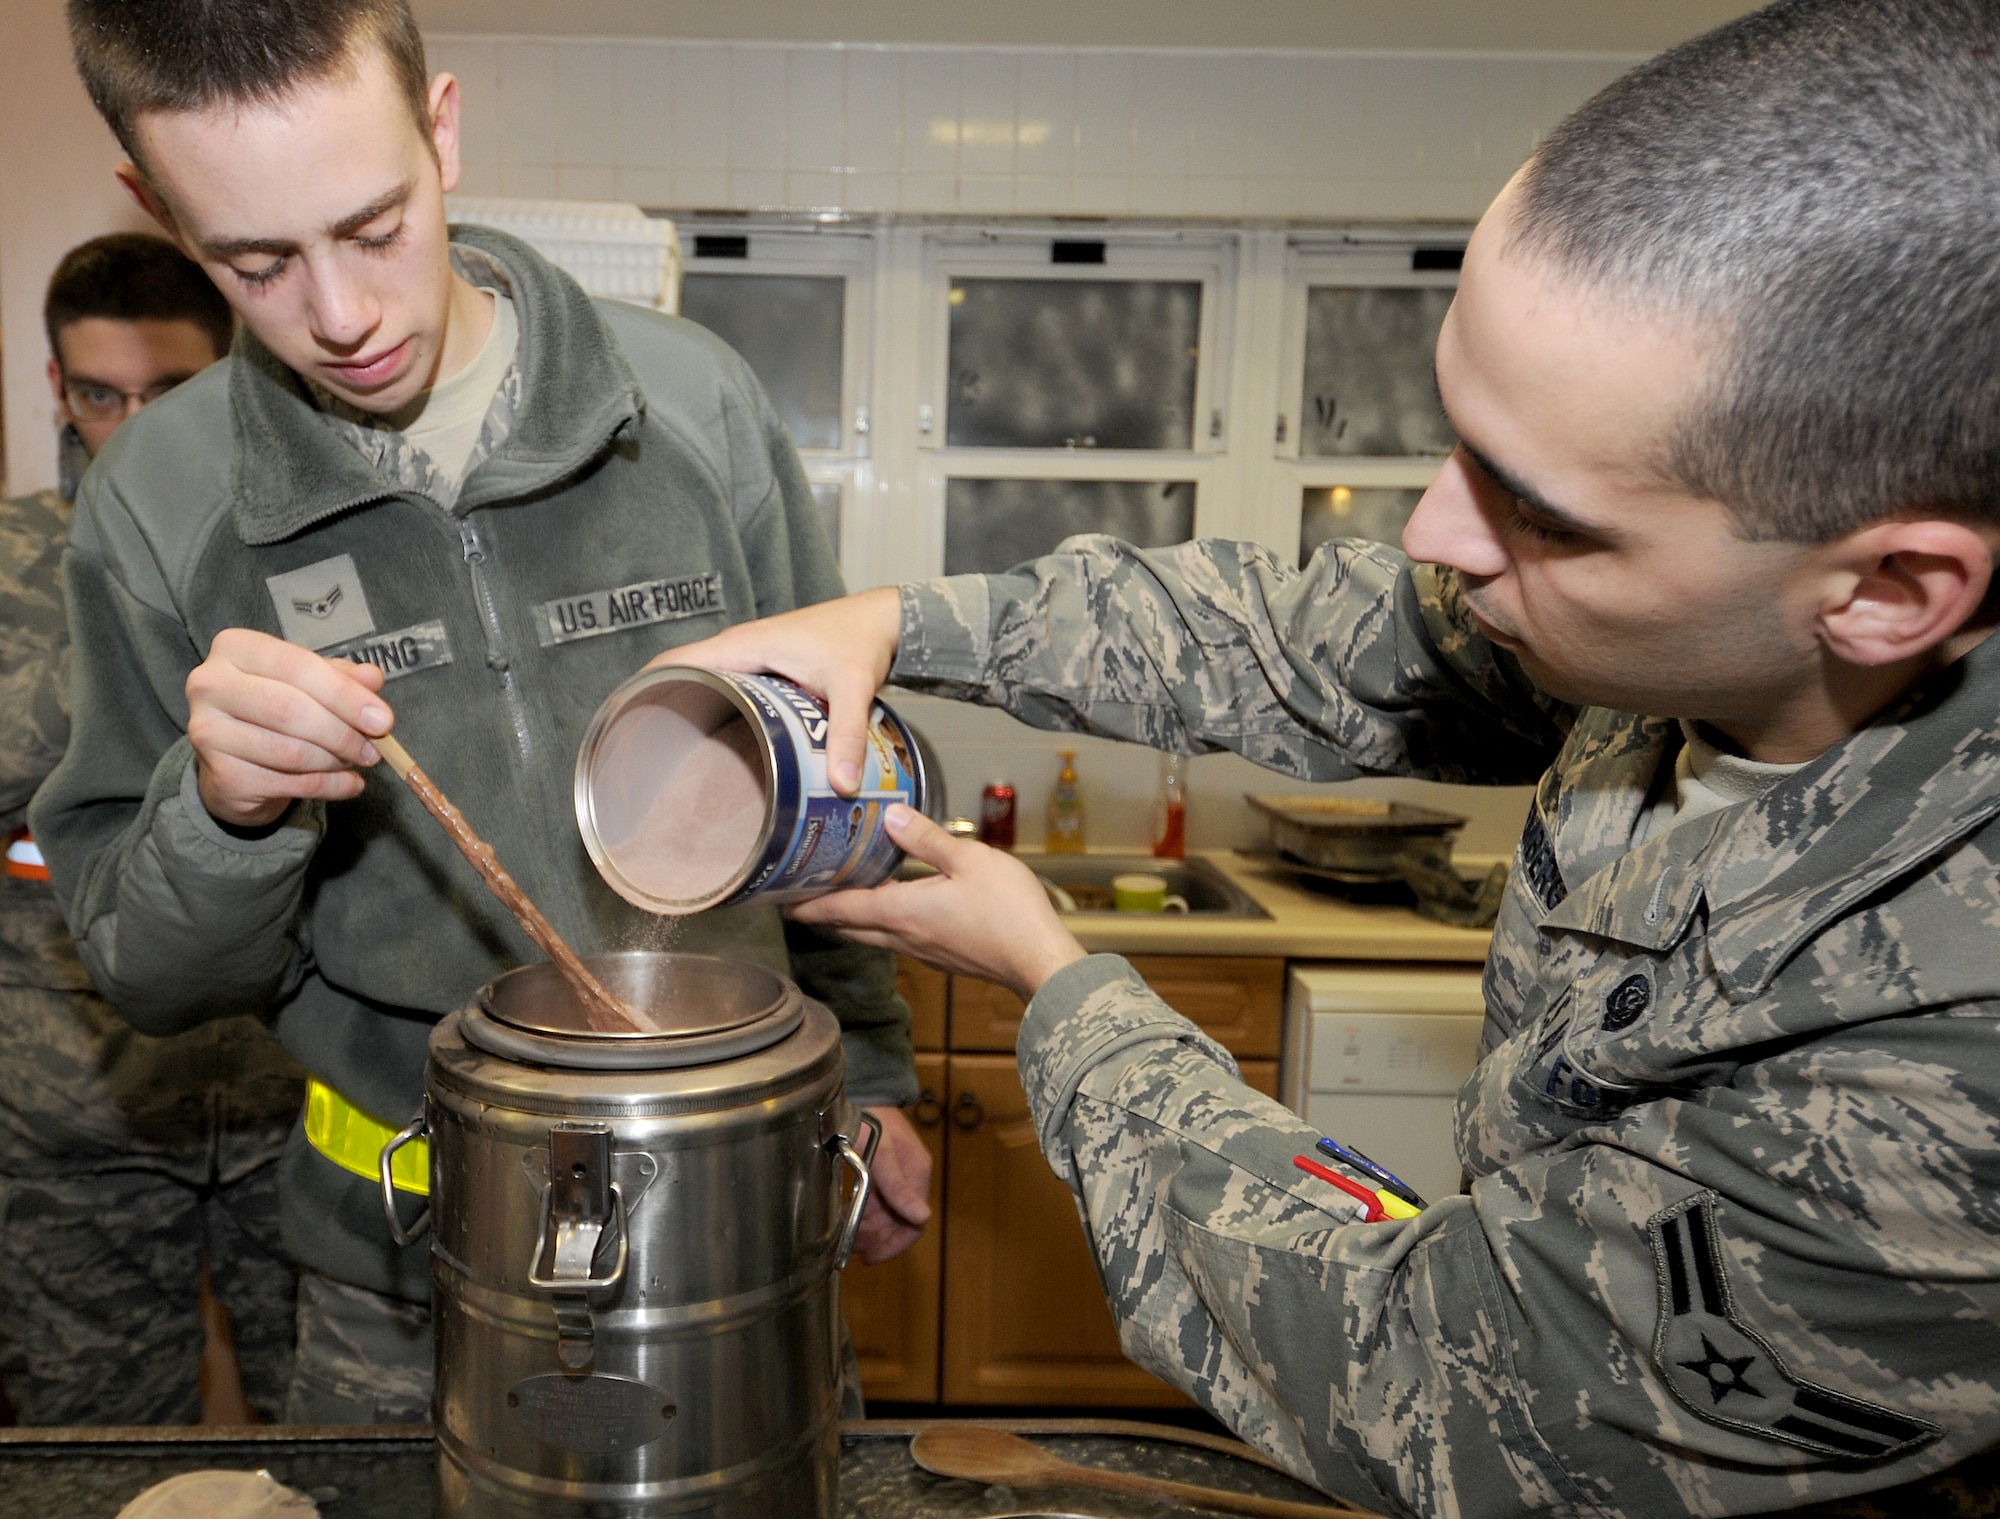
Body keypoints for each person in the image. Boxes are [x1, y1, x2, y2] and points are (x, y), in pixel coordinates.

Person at [670, 1, 2000, 1513]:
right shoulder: (1692, 627)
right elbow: (1306, 636)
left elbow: (1447, 1368)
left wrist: (1061, 981)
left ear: (1891, 591)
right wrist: (902, 619)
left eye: (1541, 512)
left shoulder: (1954, 1036)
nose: (1435, 532)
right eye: (1458, 445)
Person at [33, 0, 930, 1424]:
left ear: (441, 130)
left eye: (373, 226)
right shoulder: (156, 505)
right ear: (160, 209)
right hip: (400, 1270)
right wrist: (225, 811)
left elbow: (831, 796)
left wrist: (873, 1075)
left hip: (740, 1213)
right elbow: (147, 968)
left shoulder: (689, 405)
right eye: (253, 262)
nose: (340, 315)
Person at [0, 233, 305, 1426]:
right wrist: (151, 639)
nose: (129, 428)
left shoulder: (300, 553)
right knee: (96, 1461)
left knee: (346, 1457)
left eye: (169, 395)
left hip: (295, 1105)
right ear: (56, 390)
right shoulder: (15, 560)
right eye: (97, 395)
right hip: (73, 1117)